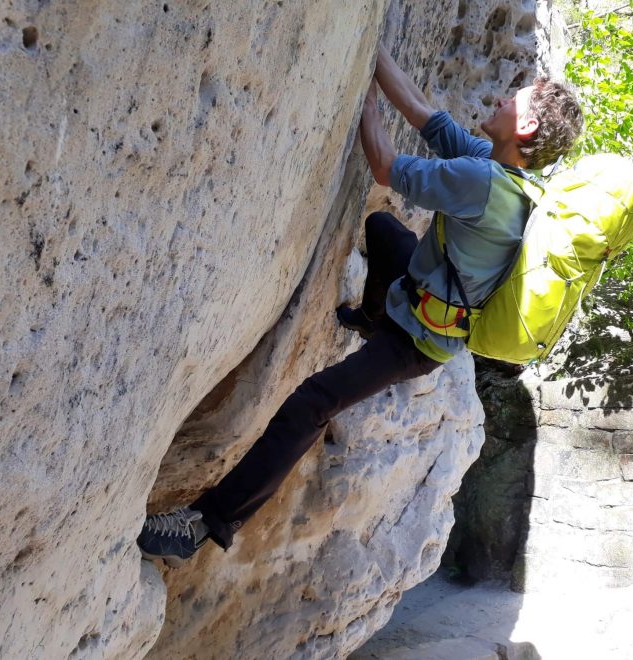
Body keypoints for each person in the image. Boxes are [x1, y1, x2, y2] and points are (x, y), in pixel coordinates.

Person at [137, 44, 583, 566]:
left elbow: (383, 166)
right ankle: (371, 317)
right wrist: (371, 53)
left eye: (514, 100)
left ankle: (208, 521)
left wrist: (365, 103)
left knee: (313, 401)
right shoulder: (507, 175)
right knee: (384, 228)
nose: (502, 99)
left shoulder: (482, 182)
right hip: (417, 301)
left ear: (525, 129)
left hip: (417, 339)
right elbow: (424, 114)